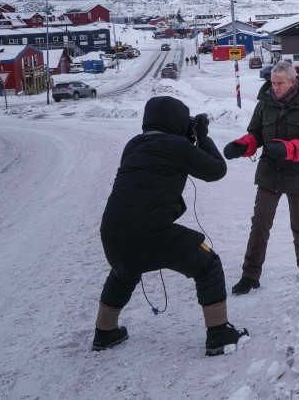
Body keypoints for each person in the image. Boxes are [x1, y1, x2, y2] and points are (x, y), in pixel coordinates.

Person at [93, 96, 249, 357]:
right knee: (207, 264)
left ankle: (104, 333)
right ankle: (219, 334)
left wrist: (187, 139)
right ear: (177, 121)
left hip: (113, 229)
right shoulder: (176, 145)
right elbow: (216, 170)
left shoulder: (134, 144)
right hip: (150, 230)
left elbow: (160, 159)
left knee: (126, 267)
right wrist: (202, 135)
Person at [223, 60, 299, 294]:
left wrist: (293, 149)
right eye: (272, 83)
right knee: (260, 224)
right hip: (270, 172)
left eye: (280, 83)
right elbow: (255, 133)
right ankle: (250, 276)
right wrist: (243, 145)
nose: (275, 87)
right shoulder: (265, 104)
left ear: (292, 82)